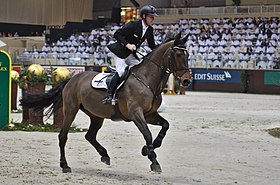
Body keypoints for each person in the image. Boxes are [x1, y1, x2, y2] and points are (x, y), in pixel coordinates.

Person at [102, 5, 158, 104]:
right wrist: (127, 44)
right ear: (144, 16)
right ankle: (109, 95)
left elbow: (152, 46)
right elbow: (117, 34)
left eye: (153, 17)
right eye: (151, 16)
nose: (153, 19)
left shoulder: (149, 30)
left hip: (131, 54)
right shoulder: (133, 24)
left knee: (140, 69)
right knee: (121, 71)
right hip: (120, 52)